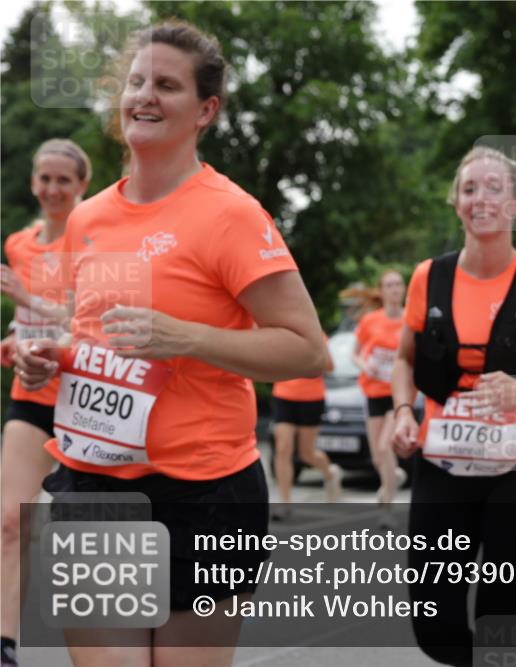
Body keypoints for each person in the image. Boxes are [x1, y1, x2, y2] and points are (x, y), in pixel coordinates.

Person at [12, 21, 327, 667]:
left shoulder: (230, 213)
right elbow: (92, 335)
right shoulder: (90, 217)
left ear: (205, 110)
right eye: (135, 82)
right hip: (96, 486)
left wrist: (186, 337)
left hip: (205, 492)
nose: (143, 97)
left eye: (166, 85)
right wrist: (48, 354)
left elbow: (307, 349)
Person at [391, 146, 516, 666]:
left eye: (494, 189)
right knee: (433, 622)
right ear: (456, 202)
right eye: (470, 189)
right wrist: (403, 411)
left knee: (498, 621)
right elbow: (404, 358)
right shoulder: (429, 277)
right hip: (445, 463)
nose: (481, 199)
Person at [0, 139, 91, 667]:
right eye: (44, 178)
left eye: (64, 180)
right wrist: (15, 340)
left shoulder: (93, 241)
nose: (52, 189)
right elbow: (29, 324)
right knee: (12, 518)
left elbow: (87, 320)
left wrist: (29, 301)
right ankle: (7, 643)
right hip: (32, 394)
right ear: (33, 182)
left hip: (86, 399)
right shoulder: (19, 243)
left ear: (82, 185)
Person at [352, 269, 408, 527]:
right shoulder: (370, 321)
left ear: (404, 289)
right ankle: (393, 476)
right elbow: (355, 353)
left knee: (386, 447)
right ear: (382, 291)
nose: (395, 289)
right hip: (373, 391)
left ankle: (387, 507)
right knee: (377, 456)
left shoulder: (410, 320)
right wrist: (365, 366)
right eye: (389, 285)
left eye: (398, 285)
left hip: (396, 394)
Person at [271, 365, 342, 520]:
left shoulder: (318, 338)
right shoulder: (283, 339)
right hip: (283, 395)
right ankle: (285, 502)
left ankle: (330, 473)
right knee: (283, 449)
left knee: (306, 454)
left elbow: (329, 366)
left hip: (311, 398)